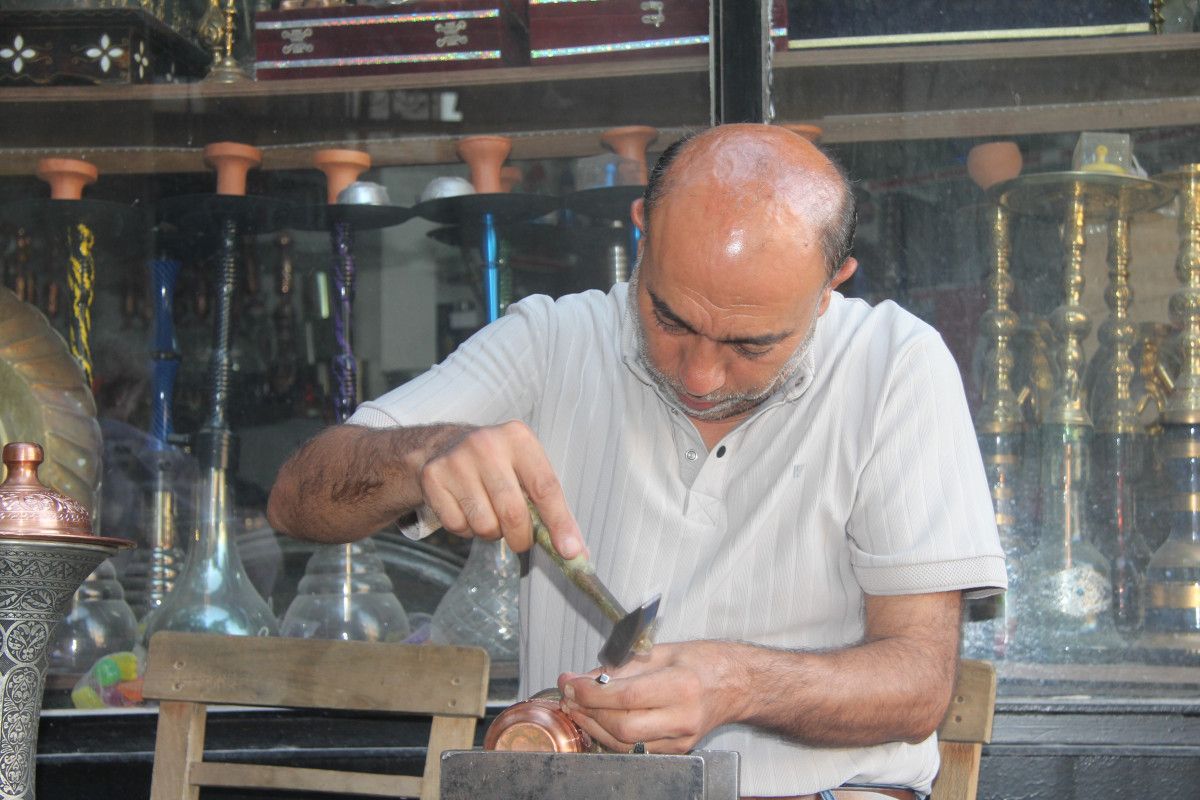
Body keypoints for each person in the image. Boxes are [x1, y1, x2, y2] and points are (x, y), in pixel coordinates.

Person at [267, 124, 1006, 799]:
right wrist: (421, 452)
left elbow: (918, 682)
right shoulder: (553, 342)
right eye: (669, 319)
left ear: (829, 288)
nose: (700, 377)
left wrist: (737, 682)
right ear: (643, 233)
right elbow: (298, 497)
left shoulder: (893, 366)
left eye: (752, 345)